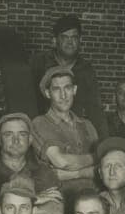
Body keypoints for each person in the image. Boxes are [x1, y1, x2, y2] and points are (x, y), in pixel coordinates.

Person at [29, 13, 108, 138]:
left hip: (73, 132)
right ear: (55, 41)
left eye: (74, 37)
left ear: (80, 40)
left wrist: (105, 144)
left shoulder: (86, 70)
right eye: (65, 37)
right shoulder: (38, 63)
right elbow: (26, 99)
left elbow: (95, 109)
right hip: (42, 131)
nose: (70, 42)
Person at [31, 66, 100, 198]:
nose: (63, 95)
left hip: (93, 198)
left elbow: (101, 168)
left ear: (74, 90)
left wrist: (72, 174)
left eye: (67, 88)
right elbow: (61, 162)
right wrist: (95, 157)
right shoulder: (40, 123)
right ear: (47, 93)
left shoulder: (87, 125)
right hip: (60, 200)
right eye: (56, 89)